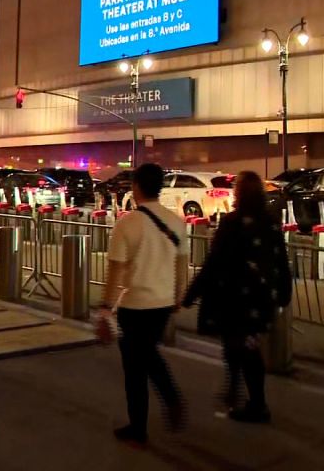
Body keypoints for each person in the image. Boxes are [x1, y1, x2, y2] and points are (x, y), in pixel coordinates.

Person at [181, 171, 291, 423]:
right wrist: (284, 293)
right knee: (244, 346)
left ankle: (255, 403)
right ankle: (239, 390)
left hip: (235, 300)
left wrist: (191, 294)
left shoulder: (232, 223)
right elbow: (280, 260)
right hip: (261, 300)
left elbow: (214, 263)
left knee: (240, 347)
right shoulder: (271, 222)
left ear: (239, 194)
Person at [100, 162, 187, 444]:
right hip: (162, 304)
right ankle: (163, 404)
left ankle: (143, 423)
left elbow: (116, 271)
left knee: (135, 367)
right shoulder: (176, 222)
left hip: (134, 305)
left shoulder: (127, 224)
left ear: (136, 187)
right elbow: (182, 265)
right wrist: (178, 296)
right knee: (147, 354)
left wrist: (105, 307)